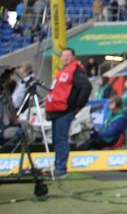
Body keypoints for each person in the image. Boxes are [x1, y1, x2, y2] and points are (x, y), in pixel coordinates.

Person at [45, 47, 92, 179]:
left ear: (73, 57)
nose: (65, 58)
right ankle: (58, 167)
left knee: (61, 139)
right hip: (56, 110)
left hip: (65, 110)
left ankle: (61, 169)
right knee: (57, 139)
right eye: (63, 55)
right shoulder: (63, 71)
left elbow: (86, 87)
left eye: (68, 56)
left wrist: (77, 106)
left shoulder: (75, 70)